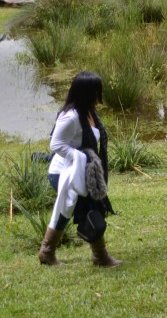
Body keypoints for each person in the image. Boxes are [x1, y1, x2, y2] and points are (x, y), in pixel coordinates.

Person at [39, 71, 121, 267]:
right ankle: (99, 256)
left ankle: (48, 251)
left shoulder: (89, 111)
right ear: (85, 92)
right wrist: (80, 157)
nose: (98, 95)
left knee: (69, 210)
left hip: (83, 171)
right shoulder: (71, 117)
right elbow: (56, 145)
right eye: (95, 91)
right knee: (77, 208)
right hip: (64, 173)